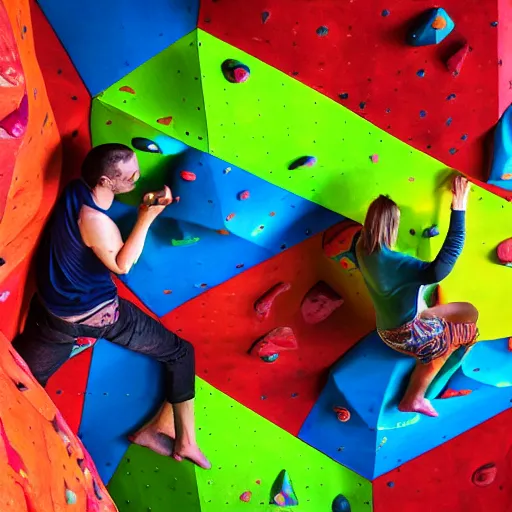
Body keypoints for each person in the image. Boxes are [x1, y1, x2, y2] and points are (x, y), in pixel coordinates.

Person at [13, 143, 211, 469]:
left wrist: (139, 200)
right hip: (98, 316)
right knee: (180, 352)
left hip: (52, 313)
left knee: (23, 383)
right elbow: (122, 264)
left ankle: (159, 427)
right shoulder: (96, 222)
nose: (138, 177)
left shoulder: (78, 190)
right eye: (131, 176)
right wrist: (146, 217)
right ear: (106, 180)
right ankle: (186, 441)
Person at [355, 175, 478, 417]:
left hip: (387, 327)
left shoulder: (360, 246)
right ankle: (414, 397)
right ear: (392, 226)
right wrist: (459, 207)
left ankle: (430, 325)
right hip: (405, 335)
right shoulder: (396, 263)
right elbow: (443, 264)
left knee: (469, 311)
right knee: (466, 334)